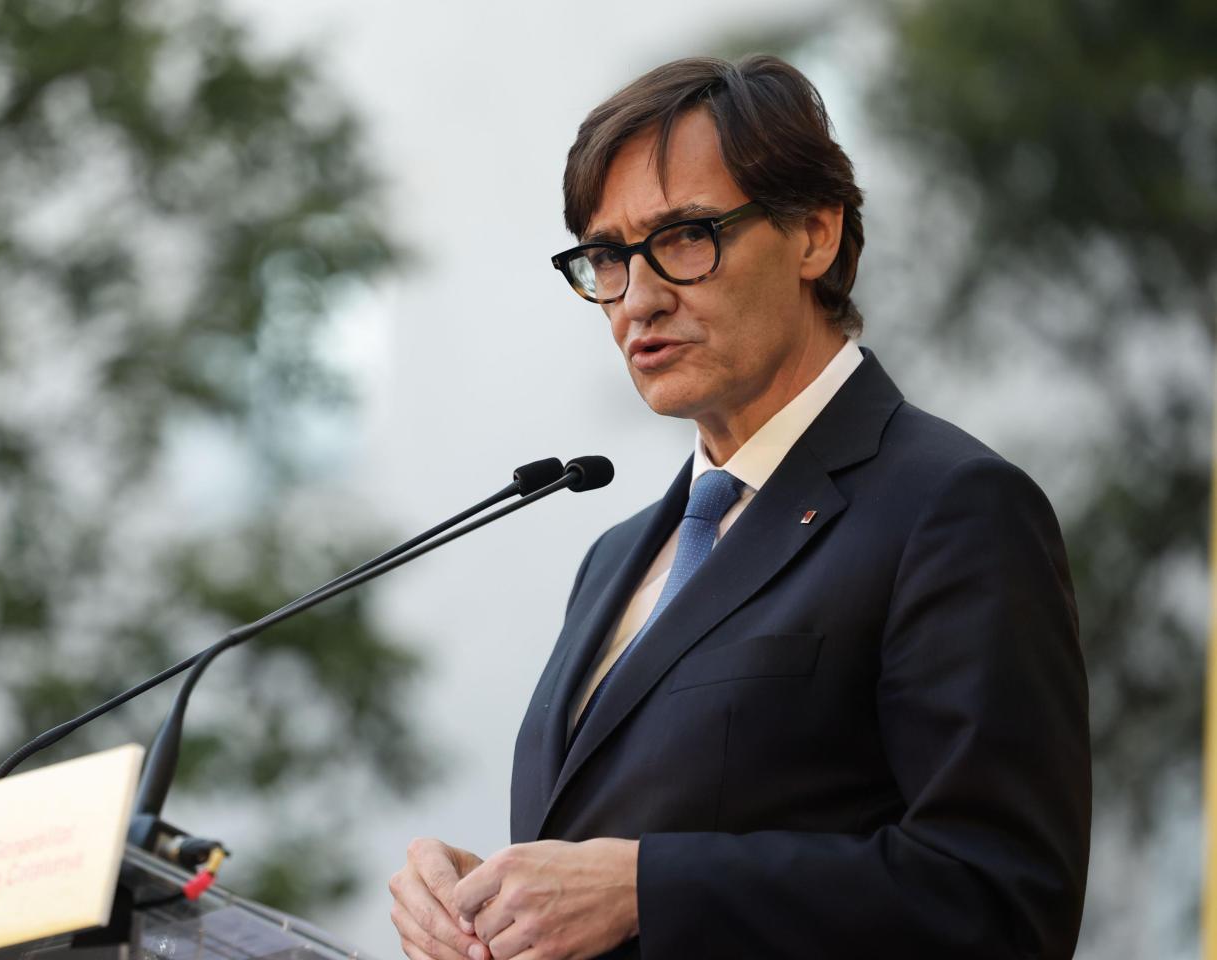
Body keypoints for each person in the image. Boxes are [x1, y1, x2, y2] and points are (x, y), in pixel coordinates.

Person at [387, 55, 1089, 960]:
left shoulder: (953, 509)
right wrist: (491, 904)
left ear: (814, 235)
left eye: (685, 236)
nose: (639, 300)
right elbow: (624, 853)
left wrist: (645, 889)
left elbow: (1001, 901)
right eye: (608, 257)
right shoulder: (615, 558)